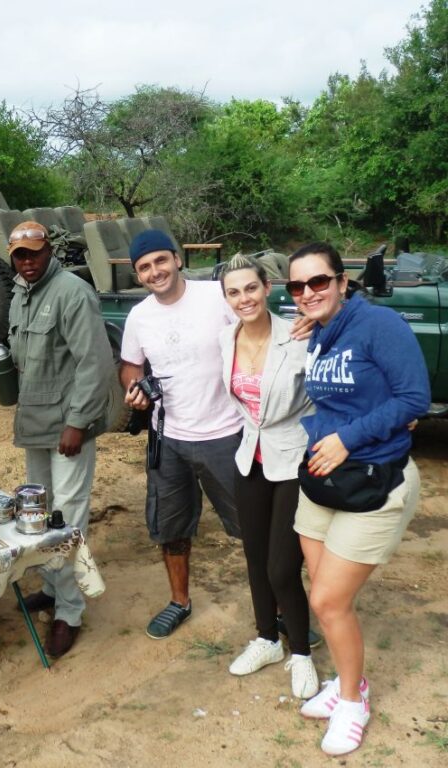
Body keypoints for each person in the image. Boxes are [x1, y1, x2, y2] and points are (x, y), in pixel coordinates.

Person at [286, 242, 430, 756]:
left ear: (343, 282)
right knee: (326, 597)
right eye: (297, 286)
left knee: (328, 600)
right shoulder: (321, 330)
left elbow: (414, 398)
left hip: (373, 480)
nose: (307, 292)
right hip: (324, 479)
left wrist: (349, 438)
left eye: (318, 282)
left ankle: (352, 701)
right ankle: (352, 681)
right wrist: (315, 327)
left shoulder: (379, 325)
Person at [120, 230, 244, 640]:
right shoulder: (139, 316)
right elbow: (130, 366)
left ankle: (278, 607)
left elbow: (255, 337)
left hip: (226, 433)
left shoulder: (216, 297)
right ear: (138, 275)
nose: (154, 271)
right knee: (170, 527)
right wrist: (135, 389)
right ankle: (179, 601)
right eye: (144, 267)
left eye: (160, 260)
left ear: (176, 259)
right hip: (167, 437)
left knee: (252, 524)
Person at [0, 220, 113, 658]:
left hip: (67, 427)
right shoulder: (20, 294)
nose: (27, 261)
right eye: (20, 255)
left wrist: (78, 423)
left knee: (67, 521)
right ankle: (51, 587)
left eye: (34, 253)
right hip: (36, 422)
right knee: (39, 513)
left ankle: (69, 611)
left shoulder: (72, 292)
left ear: (49, 252)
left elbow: (95, 364)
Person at [218, 254, 318, 700]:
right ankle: (267, 639)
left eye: (250, 288)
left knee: (282, 567)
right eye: (234, 292)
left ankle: (302, 653)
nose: (244, 298)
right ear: (226, 299)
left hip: (293, 457)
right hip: (250, 458)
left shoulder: (298, 335)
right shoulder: (225, 338)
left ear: (267, 288)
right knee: (255, 558)